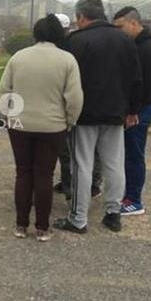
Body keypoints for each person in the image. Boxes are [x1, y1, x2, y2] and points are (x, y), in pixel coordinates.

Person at [54, 0, 142, 234]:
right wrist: (132, 109)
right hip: (116, 113)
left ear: (82, 16)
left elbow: (67, 81)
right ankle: (113, 214)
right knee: (114, 164)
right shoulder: (125, 40)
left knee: (82, 164)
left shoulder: (77, 41)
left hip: (84, 115)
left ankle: (78, 218)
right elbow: (136, 79)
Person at [0, 15, 84, 242]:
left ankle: (20, 224)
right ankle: (42, 228)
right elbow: (74, 98)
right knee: (44, 175)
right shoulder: (67, 60)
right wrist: (69, 121)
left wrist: (6, 116)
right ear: (59, 34)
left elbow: (4, 91)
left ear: (35, 33)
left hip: (20, 124)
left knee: (23, 172)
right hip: (53, 125)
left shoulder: (18, 58)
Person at [113, 6, 151, 216]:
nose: (118, 32)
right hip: (133, 109)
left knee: (134, 155)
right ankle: (127, 194)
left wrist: (133, 111)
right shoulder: (136, 45)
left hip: (139, 111)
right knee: (127, 154)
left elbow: (147, 88)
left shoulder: (147, 50)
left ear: (133, 23)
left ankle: (134, 200)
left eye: (120, 27)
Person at [54, 13, 103, 200]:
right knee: (64, 150)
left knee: (85, 149)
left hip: (81, 103)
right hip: (65, 104)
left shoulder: (75, 45)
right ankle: (67, 181)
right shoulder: (63, 46)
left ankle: (91, 184)